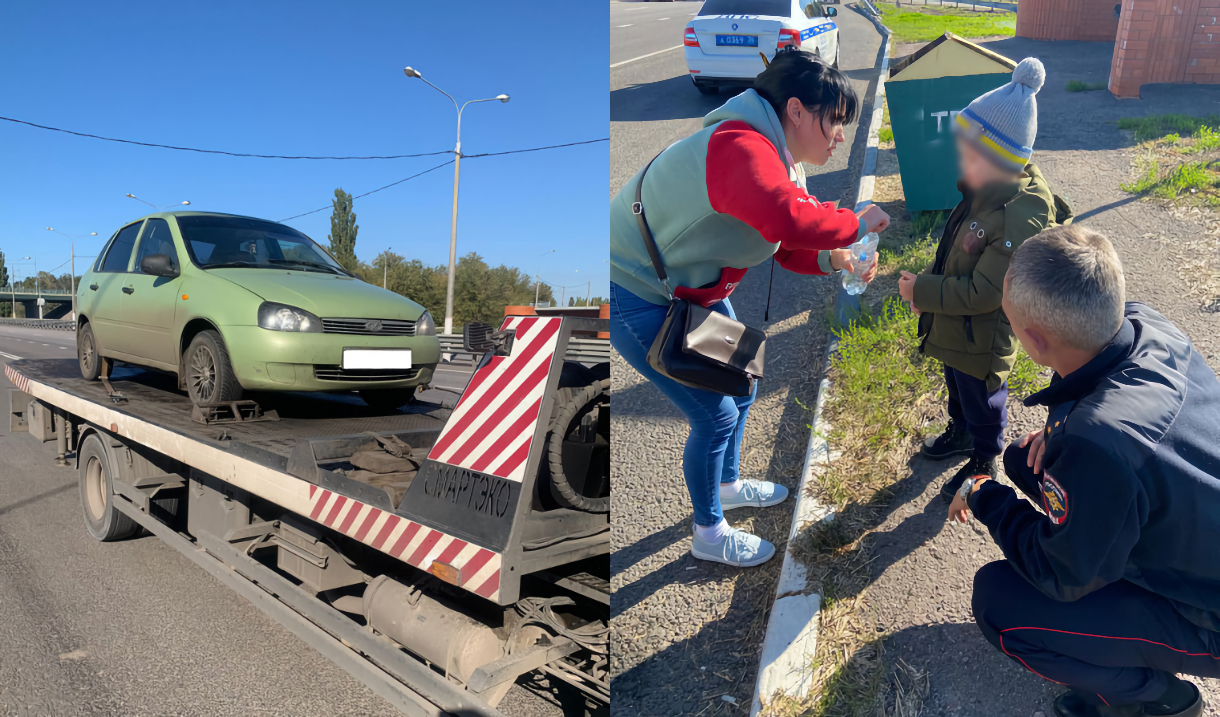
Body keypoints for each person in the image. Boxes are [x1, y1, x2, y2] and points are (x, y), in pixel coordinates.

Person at [609, 49, 890, 568]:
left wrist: (838, 260)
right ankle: (708, 532)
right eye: (834, 121)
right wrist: (853, 222)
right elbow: (786, 218)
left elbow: (782, 246)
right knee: (713, 415)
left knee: (743, 381)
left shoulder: (780, 157)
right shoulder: (737, 145)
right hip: (638, 294)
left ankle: (728, 483)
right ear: (797, 111)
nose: (839, 136)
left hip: (695, 292)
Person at [949, 226, 1220, 717]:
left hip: (1210, 612)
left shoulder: (1098, 446)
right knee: (1022, 458)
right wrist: (1062, 429)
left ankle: (1153, 699)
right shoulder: (1144, 324)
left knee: (997, 602)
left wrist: (984, 494)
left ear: (1033, 339)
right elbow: (1115, 421)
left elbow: (1060, 575)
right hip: (1196, 522)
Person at [898, 57, 1073, 503]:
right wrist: (933, 297)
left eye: (968, 153)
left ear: (998, 159)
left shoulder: (1021, 214)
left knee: (983, 398)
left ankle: (984, 455)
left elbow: (984, 293)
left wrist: (921, 290)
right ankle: (960, 432)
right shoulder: (987, 190)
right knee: (956, 384)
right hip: (956, 327)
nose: (960, 160)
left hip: (982, 337)